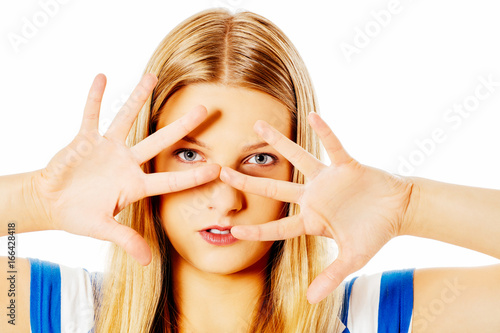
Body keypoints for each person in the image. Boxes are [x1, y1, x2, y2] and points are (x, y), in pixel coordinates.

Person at [1, 7, 500, 333]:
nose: (225, 199)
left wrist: (410, 206)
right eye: (190, 155)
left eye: (259, 159)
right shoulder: (61, 310)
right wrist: (36, 200)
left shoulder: (377, 317)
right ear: (147, 159)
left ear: (295, 172)